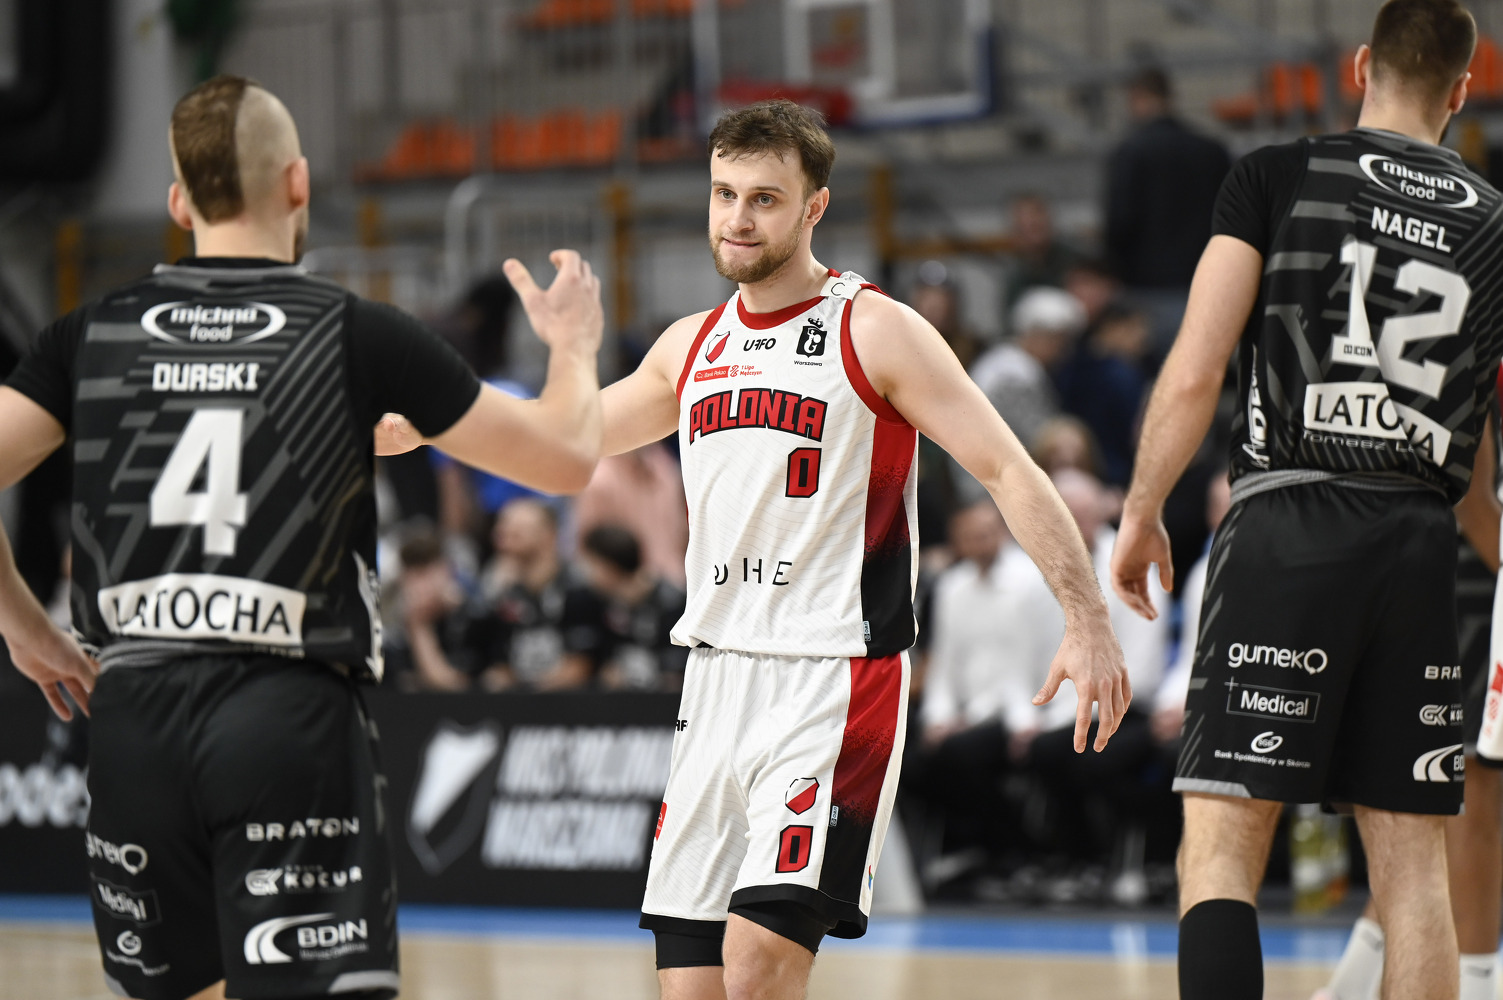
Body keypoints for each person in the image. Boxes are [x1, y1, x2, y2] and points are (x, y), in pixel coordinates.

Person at [381, 98, 1130, 1000]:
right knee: (690, 987)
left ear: (814, 207)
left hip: (832, 675)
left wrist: (1086, 616)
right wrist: (432, 423)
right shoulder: (689, 346)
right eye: (723, 194)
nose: (737, 218)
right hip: (715, 678)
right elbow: (562, 445)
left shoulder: (874, 329)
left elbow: (1009, 469)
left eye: (764, 199)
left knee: (758, 966)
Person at [0, 75, 604, 1000]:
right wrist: (572, 346)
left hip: (134, 719)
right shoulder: (351, 333)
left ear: (178, 203)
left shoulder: (90, 334)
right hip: (284, 712)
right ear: (298, 183)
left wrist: (22, 626)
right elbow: (564, 457)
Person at [1109, 4, 1503, 998]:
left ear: (1361, 65)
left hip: (1292, 521)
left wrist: (1142, 510)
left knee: (1222, 838)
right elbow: (1479, 437)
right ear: (1462, 89)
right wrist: (1491, 548)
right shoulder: (1492, 223)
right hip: (1423, 539)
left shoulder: (1277, 174)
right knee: (1411, 865)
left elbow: (1194, 370)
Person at [1317, 413, 1502, 1000]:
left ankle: (1352, 983)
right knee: (1469, 791)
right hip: (1469, 580)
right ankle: (1476, 983)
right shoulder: (1474, 358)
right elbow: (1472, 483)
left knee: (1427, 811)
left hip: (1429, 565)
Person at [1104, 65, 1232, 361]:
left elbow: (1120, 222)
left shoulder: (1130, 152)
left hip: (1147, 290)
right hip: (1206, 287)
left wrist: (1115, 271)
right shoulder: (1211, 151)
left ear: (1137, 98)